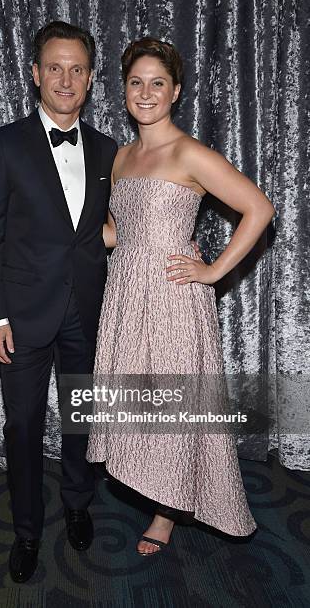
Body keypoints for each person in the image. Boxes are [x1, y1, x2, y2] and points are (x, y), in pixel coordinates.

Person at [86, 38, 275, 555]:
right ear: (123, 90)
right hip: (125, 295)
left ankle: (165, 514)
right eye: (136, 82)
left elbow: (259, 209)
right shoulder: (122, 156)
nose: (146, 93)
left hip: (172, 301)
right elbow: (119, 231)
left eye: (158, 83)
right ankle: (152, 484)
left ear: (176, 91)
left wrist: (212, 270)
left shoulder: (189, 152)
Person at [0, 21, 118, 583]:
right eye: (54, 67)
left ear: (89, 78)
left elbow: (107, 229)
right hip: (21, 317)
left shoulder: (108, 150)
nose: (65, 78)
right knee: (23, 426)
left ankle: (78, 504)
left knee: (82, 419)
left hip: (87, 309)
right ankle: (27, 532)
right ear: (34, 74)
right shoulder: (5, 143)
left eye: (77, 68)